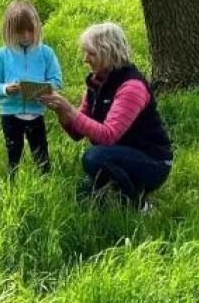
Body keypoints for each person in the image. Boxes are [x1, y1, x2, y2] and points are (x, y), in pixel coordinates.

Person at [41, 22, 172, 210]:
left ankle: (140, 205)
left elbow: (107, 136)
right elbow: (77, 134)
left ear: (109, 53)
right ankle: (117, 192)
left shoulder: (131, 87)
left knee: (93, 157)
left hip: (152, 162)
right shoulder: (96, 83)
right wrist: (61, 111)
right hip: (119, 154)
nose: (85, 59)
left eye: (91, 53)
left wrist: (69, 109)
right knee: (84, 196)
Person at [0, 0, 63, 176]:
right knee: (13, 152)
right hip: (10, 113)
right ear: (10, 30)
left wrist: (39, 90)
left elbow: (57, 81)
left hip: (36, 113)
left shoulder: (46, 53)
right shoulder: (2, 55)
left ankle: (46, 182)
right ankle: (11, 182)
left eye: (30, 30)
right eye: (20, 32)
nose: (27, 36)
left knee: (41, 152)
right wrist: (6, 89)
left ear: (37, 27)